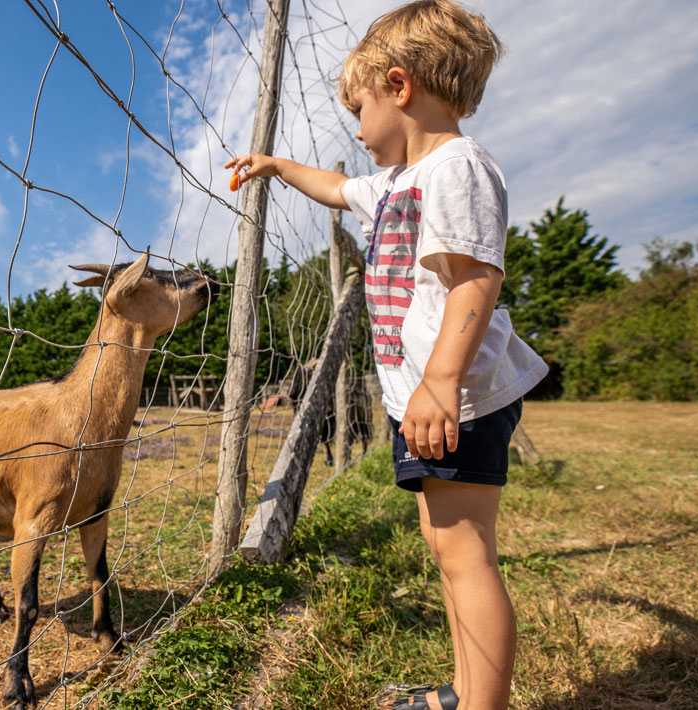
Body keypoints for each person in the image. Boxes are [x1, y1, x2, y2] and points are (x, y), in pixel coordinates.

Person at [225, 2, 548, 709]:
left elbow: (476, 276)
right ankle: (464, 692)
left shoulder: (456, 168)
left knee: (467, 558)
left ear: (399, 87)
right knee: (448, 549)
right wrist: (277, 165)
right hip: (429, 401)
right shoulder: (399, 183)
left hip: (454, 398)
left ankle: (482, 705)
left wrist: (438, 381)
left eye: (359, 109)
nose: (359, 128)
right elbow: (337, 188)